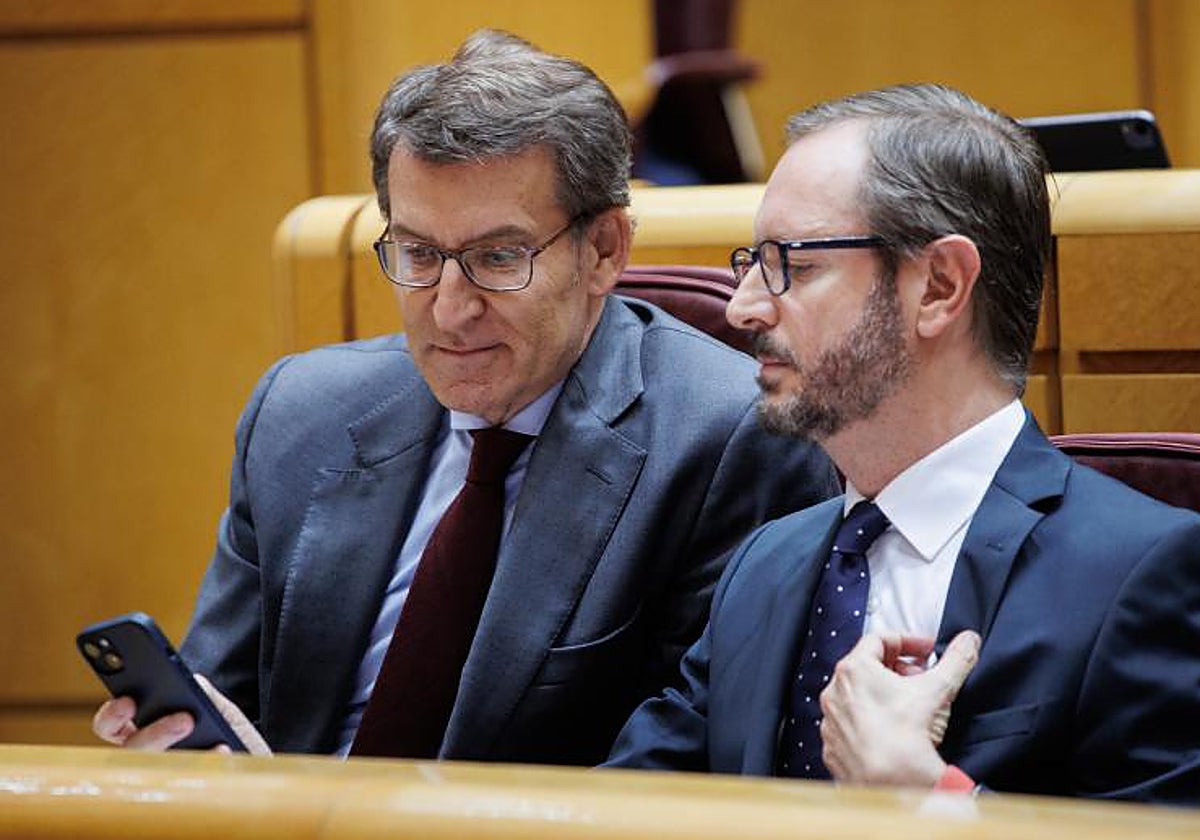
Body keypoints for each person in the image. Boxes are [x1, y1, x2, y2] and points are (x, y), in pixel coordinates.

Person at [91, 30, 837, 765]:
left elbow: (686, 769)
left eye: (498, 257)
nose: (449, 310)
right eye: (418, 253)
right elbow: (222, 704)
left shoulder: (732, 438)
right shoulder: (300, 412)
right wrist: (185, 752)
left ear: (605, 249)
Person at [606, 84, 1200, 804]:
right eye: (749, 262)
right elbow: (630, 808)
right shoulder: (763, 565)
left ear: (939, 287)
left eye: (792, 264)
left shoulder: (1139, 572)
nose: (743, 306)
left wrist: (931, 796)